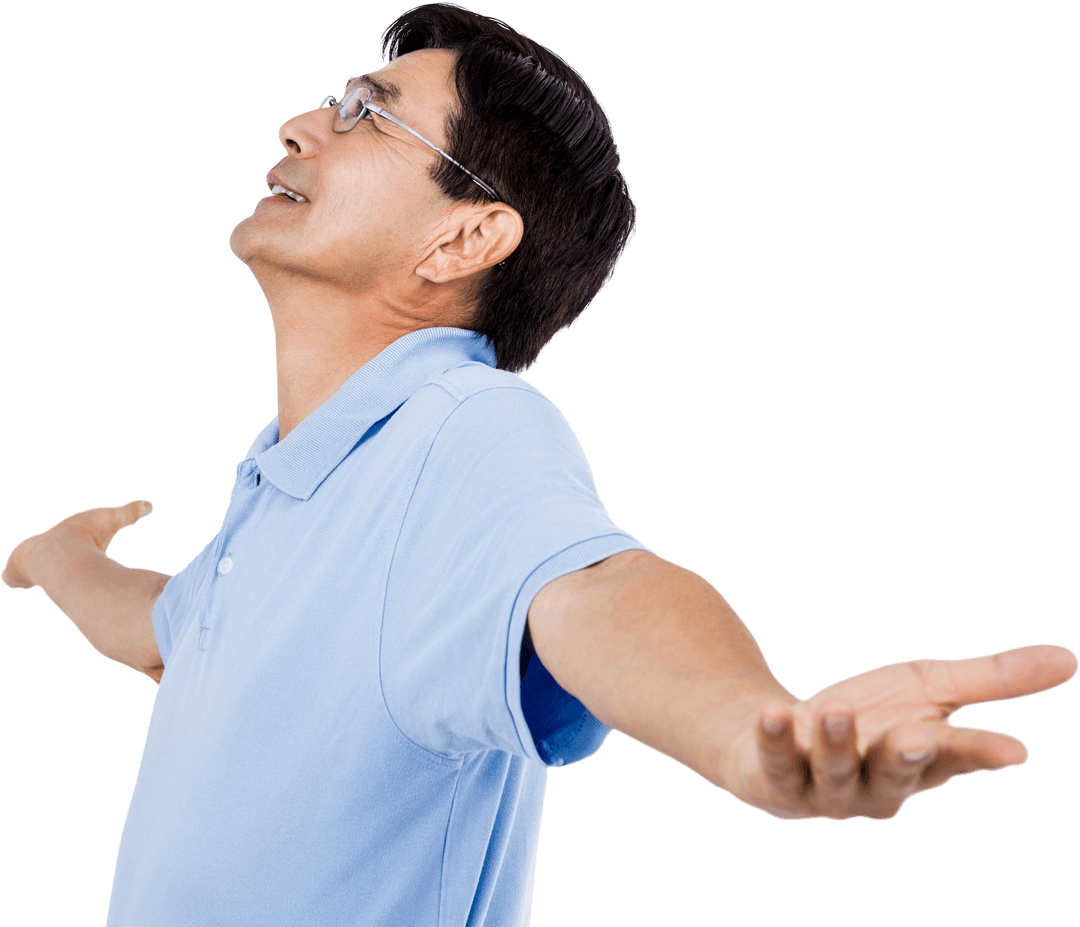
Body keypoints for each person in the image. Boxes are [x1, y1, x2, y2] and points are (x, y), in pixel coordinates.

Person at [2, 3, 1076, 925]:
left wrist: (746, 729)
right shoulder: (289, 481)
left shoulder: (465, 429)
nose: (298, 125)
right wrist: (57, 557)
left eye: (366, 113)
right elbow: (164, 630)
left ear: (465, 241)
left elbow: (594, 591)